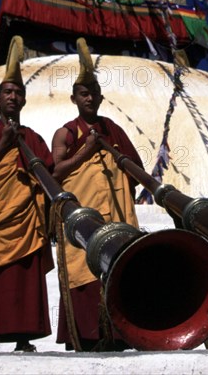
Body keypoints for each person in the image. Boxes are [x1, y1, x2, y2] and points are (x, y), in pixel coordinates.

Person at [51, 38, 144, 352]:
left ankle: (125, 334)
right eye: (83, 93)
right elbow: (56, 174)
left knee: (119, 268)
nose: (89, 98)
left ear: (101, 97)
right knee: (84, 269)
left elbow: (136, 170)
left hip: (118, 215)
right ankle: (88, 337)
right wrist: (86, 152)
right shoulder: (65, 132)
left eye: (94, 93)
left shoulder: (114, 129)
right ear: (74, 98)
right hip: (83, 220)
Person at [0, 36, 54, 352]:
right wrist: (6, 142)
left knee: (22, 276)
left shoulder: (34, 138)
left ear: (24, 101)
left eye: (18, 93)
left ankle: (23, 336)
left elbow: (48, 172)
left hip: (24, 218)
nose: (13, 97)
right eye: (8, 92)